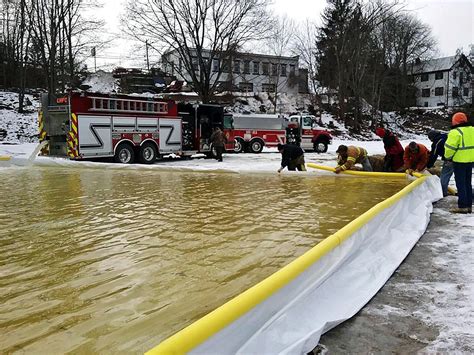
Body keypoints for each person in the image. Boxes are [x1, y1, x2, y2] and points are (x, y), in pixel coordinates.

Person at [444, 112, 474, 214]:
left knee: (461, 184)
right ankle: (469, 205)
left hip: (459, 162)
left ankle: (463, 206)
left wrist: (447, 157)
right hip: (470, 161)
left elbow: (449, 148)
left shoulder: (455, 132)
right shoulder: (472, 130)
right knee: (467, 183)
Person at [427, 130, 453, 197]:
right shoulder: (446, 136)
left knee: (444, 176)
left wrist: (429, 165)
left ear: (432, 137)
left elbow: (434, 155)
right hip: (460, 158)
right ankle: (464, 192)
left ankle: (442, 193)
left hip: (449, 160)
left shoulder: (437, 142)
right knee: (460, 177)